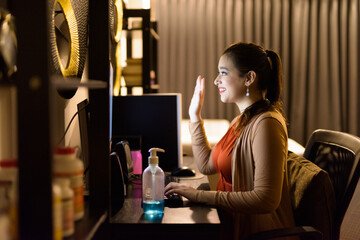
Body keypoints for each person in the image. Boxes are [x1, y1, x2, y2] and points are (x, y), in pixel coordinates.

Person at [164, 42, 297, 239]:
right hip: (230, 221)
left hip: (254, 232)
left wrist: (199, 196)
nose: (216, 80)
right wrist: (195, 116)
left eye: (224, 73)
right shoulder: (240, 121)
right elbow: (207, 165)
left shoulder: (267, 123)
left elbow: (266, 200)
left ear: (249, 78)